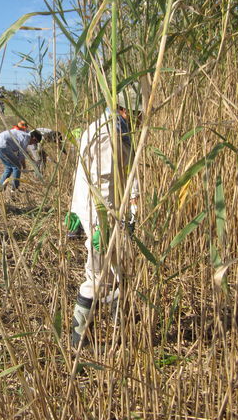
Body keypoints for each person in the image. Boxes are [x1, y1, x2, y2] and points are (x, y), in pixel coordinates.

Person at [69, 86, 142, 347]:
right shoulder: (105, 135)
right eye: (139, 114)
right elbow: (100, 185)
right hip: (101, 216)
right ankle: (78, 339)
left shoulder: (118, 130)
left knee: (120, 271)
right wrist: (100, 225)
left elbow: (124, 170)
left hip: (111, 215)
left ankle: (120, 323)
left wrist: (132, 202)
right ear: (125, 110)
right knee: (98, 277)